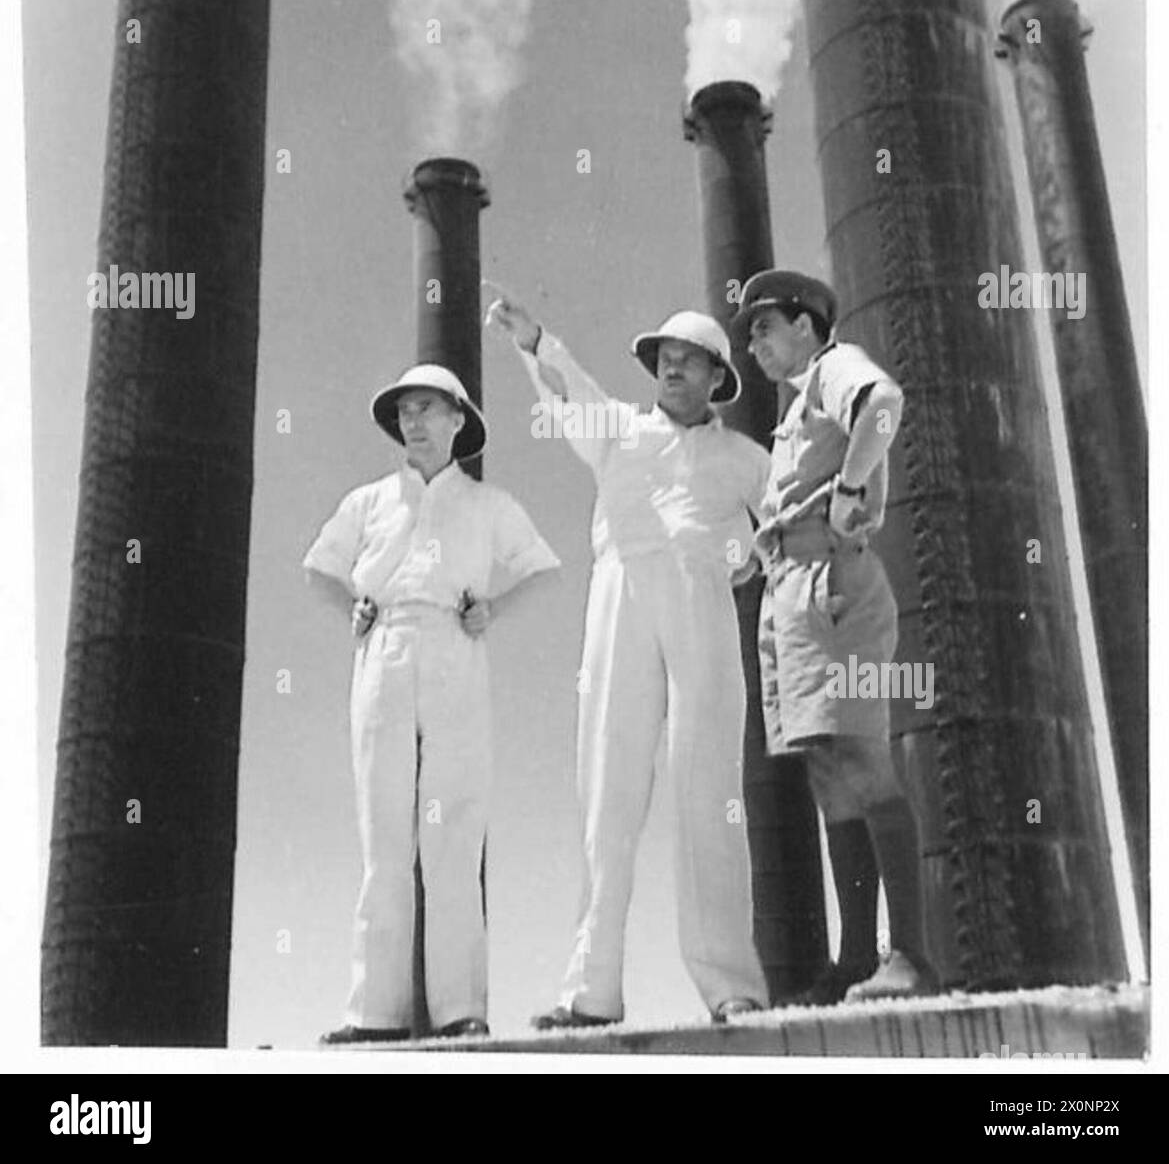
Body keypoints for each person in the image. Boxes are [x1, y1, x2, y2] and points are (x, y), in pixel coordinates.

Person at [486, 290, 770, 1028]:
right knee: (607, 787)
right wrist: (534, 339)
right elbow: (567, 388)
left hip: (701, 606)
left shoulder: (744, 457)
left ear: (717, 379)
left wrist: (738, 556)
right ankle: (591, 991)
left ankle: (729, 986)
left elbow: (785, 526)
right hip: (619, 596)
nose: (672, 368)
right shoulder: (615, 430)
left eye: (689, 361)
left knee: (709, 782)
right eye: (664, 358)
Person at [304, 363, 559, 1044]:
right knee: (383, 835)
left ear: (457, 420)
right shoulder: (367, 501)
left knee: (454, 833)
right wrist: (351, 605)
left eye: (427, 408)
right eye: (405, 411)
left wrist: (492, 611)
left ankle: (460, 1011)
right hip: (383, 649)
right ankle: (373, 1014)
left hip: (454, 646)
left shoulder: (488, 503)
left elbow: (542, 568)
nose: (413, 422)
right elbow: (318, 566)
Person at [735, 269, 937, 1003]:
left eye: (763, 327)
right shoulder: (792, 414)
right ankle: (856, 961)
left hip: (833, 588)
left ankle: (909, 955)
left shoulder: (831, 371)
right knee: (824, 770)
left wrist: (853, 486)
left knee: (858, 753)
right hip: (789, 594)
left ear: (804, 325)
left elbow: (883, 404)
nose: (752, 343)